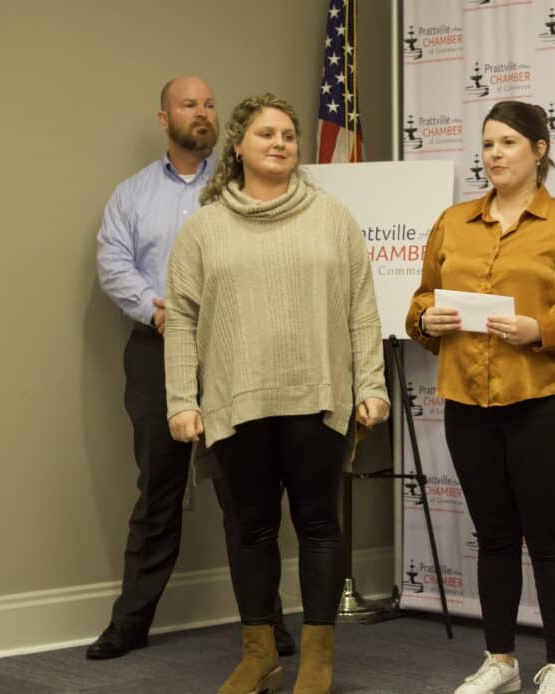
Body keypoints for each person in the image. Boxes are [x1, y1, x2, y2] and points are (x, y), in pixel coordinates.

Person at [164, 92, 389, 694]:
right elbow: (181, 319)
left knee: (318, 525)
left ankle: (317, 660)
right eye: (266, 134)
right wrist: (181, 400)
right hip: (237, 401)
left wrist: (371, 384)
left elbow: (362, 310)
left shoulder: (333, 217)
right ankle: (259, 655)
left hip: (318, 396)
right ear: (237, 146)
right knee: (250, 530)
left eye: (288, 135)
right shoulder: (204, 228)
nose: (280, 143)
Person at [406, 100, 555, 694]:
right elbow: (421, 301)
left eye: (508, 143)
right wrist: (427, 320)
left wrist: (539, 329)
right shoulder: (453, 223)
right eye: (488, 144)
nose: (495, 155)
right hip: (467, 405)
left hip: (546, 403)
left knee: (548, 538)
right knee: (493, 536)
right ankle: (500, 661)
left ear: (540, 151)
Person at [92, 76, 293, 662]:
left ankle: (268, 625)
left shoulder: (241, 191)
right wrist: (160, 311)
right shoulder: (131, 195)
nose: (202, 112)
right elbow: (113, 262)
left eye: (209, 104)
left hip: (234, 350)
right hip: (156, 350)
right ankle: (128, 625)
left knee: (245, 493)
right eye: (188, 105)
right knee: (158, 490)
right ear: (164, 118)